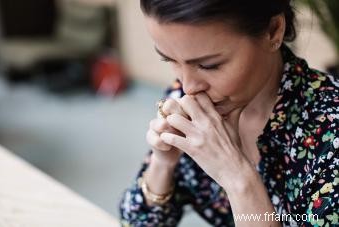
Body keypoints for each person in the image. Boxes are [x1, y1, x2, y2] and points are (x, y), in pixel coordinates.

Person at [119, 0, 339, 226]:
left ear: (273, 31)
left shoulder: (331, 134)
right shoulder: (186, 99)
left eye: (209, 65)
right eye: (170, 59)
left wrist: (237, 178)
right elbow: (136, 222)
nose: (188, 86)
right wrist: (163, 163)